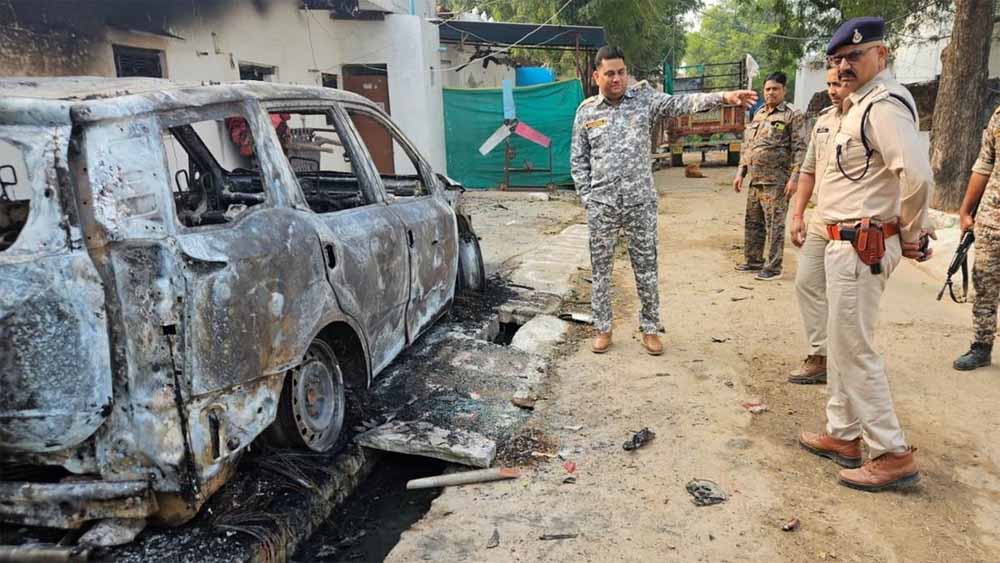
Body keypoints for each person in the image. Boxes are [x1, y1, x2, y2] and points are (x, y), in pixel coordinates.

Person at [796, 17, 934, 492]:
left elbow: (916, 176)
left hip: (862, 246)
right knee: (842, 344)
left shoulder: (883, 106)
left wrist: (911, 232)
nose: (845, 66)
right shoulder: (856, 106)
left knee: (855, 349)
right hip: (845, 243)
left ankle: (892, 453)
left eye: (855, 56)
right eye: (838, 60)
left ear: (882, 54)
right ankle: (842, 434)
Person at [571, 45, 757, 355]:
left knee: (646, 268)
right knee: (601, 270)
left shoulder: (644, 100)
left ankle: (650, 329)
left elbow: (680, 103)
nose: (617, 79)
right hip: (602, 206)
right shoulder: (586, 111)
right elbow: (579, 160)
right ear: (596, 76)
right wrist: (588, 198)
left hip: (640, 203)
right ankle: (603, 328)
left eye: (621, 72)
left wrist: (724, 97)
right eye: (610, 74)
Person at [787, 66, 855, 385]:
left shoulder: (867, 119)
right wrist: (798, 215)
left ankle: (846, 359)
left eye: (838, 83)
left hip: (853, 223)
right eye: (829, 83)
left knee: (846, 296)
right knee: (807, 282)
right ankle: (820, 355)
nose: (832, 89)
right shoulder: (824, 121)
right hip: (821, 220)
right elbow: (808, 171)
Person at [733, 71, 807, 281]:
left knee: (774, 225)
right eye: (767, 89)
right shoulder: (759, 114)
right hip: (756, 180)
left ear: (784, 90)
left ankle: (774, 267)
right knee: (753, 222)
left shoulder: (792, 115)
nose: (771, 93)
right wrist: (741, 172)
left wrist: (794, 178)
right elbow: (749, 146)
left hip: (777, 182)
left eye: (775, 89)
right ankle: (754, 260)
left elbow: (800, 148)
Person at [953, 103, 1000, 371]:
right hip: (992, 219)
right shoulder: (998, 116)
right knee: (984, 284)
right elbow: (984, 164)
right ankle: (981, 347)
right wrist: (966, 210)